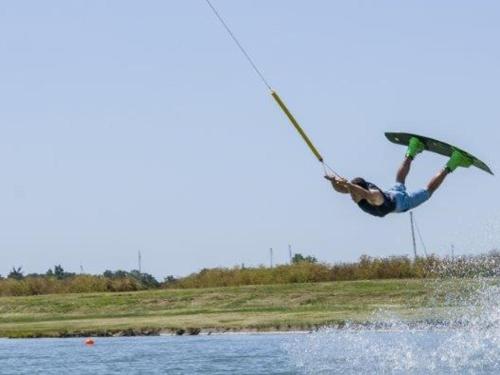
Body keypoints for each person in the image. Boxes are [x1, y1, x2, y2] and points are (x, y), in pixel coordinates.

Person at [324, 137, 473, 217]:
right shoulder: (357, 191)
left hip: (401, 203)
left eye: (353, 193)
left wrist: (349, 186)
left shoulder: (373, 196)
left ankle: (454, 161)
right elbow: (341, 189)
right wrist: (333, 182)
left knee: (428, 191)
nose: (352, 198)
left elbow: (364, 194)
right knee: (399, 181)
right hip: (392, 193)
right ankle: (413, 148)